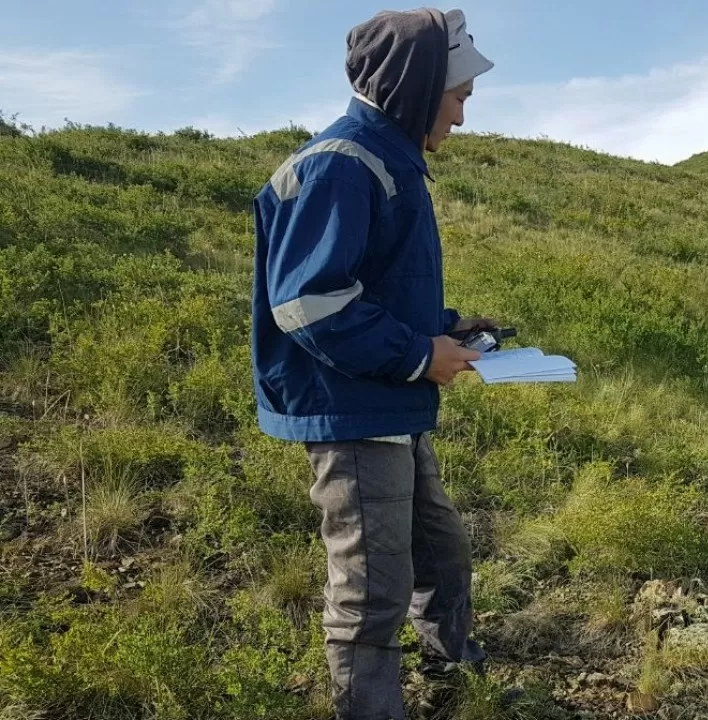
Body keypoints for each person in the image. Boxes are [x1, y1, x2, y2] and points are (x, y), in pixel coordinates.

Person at [249, 8, 495, 720]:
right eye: (459, 99)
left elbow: (371, 284)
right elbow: (312, 303)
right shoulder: (341, 165)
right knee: (371, 590)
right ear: (419, 88)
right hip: (353, 411)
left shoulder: (387, 161)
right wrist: (420, 354)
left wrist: (450, 330)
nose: (462, 118)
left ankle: (455, 675)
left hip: (389, 401)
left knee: (440, 551)